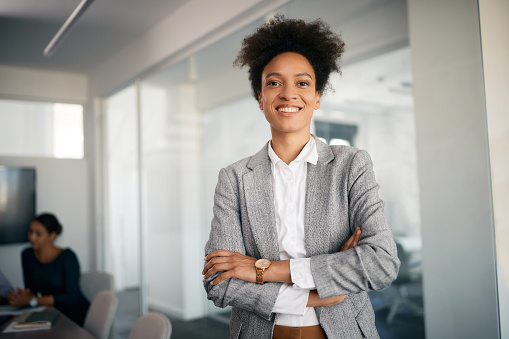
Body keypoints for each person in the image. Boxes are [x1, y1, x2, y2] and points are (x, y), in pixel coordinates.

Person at [202, 15, 400, 339]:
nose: (288, 94)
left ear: (317, 97)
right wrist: (319, 291)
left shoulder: (352, 166)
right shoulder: (234, 179)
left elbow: (381, 263)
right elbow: (219, 282)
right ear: (260, 98)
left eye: (303, 83)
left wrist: (260, 270)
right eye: (274, 82)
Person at [8, 213, 90, 326]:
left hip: (74, 314)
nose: (32, 237)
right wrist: (22, 297)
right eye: (30, 232)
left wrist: (33, 300)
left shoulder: (67, 257)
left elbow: (71, 297)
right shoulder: (27, 255)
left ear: (52, 235)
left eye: (38, 234)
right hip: (48, 312)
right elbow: (31, 290)